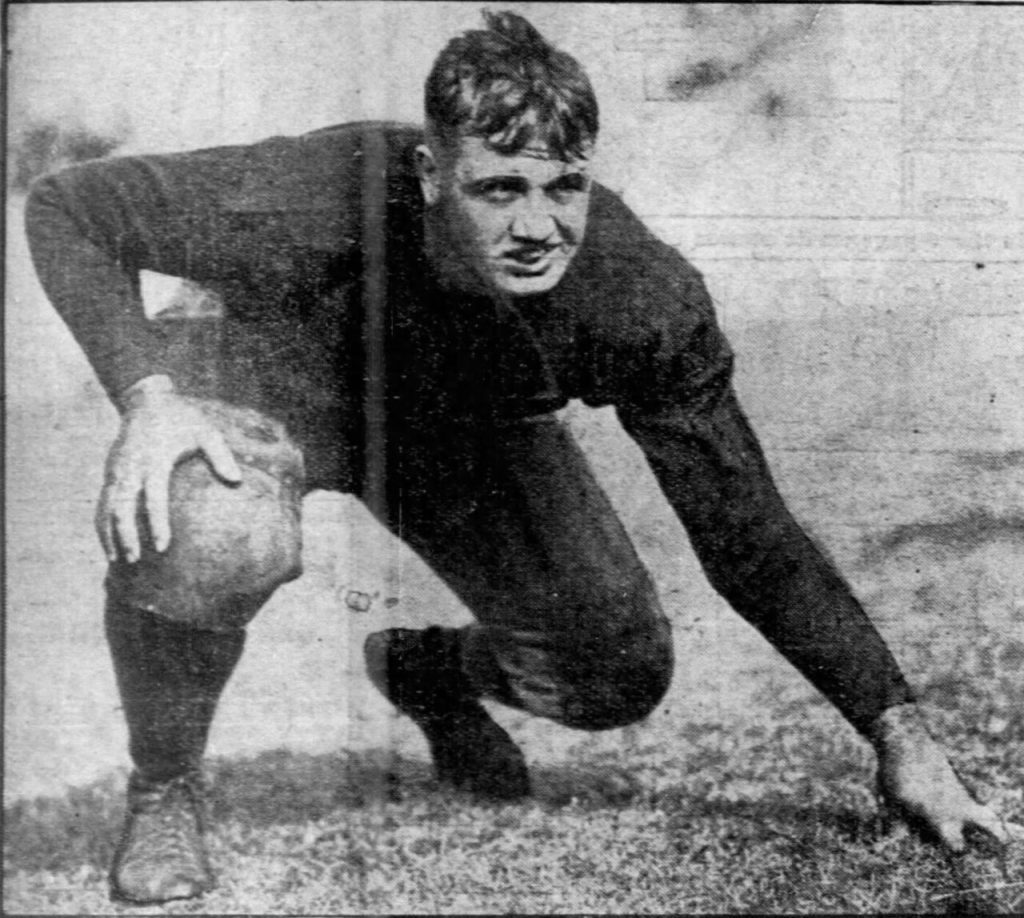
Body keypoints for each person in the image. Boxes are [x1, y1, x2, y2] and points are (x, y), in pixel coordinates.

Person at [25, 10, 1019, 905]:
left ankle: (428, 671)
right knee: (212, 526)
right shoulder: (318, 193)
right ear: (426, 175)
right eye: (497, 189)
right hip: (271, 378)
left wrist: (898, 732)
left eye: (561, 187)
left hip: (453, 427)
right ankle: (165, 785)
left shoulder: (639, 296)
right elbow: (71, 207)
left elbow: (746, 531)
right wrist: (149, 401)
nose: (536, 226)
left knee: (613, 673)